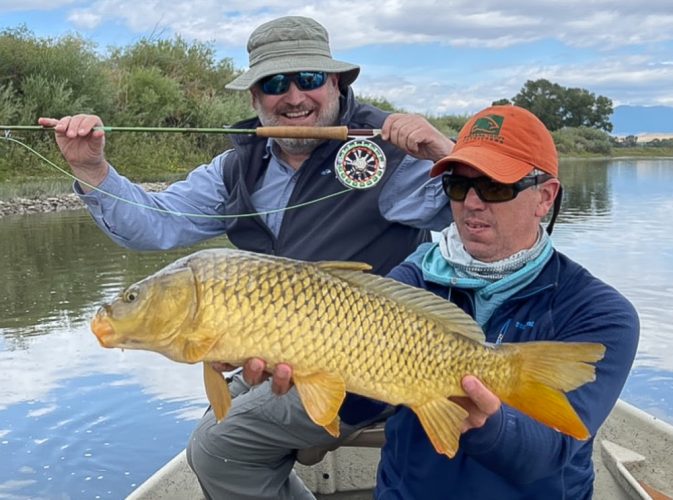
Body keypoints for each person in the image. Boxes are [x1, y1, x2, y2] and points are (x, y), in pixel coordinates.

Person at [38, 16, 455, 500]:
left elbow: (499, 219)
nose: (294, 96)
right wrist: (91, 168)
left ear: (337, 83)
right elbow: (154, 222)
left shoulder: (391, 153)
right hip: (282, 362)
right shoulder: (236, 168)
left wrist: (447, 153)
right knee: (210, 439)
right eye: (275, 83)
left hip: (377, 363)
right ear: (255, 98)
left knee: (220, 449)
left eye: (310, 79)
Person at [270, 104, 640, 498]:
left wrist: (485, 421)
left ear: (544, 198)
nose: (472, 203)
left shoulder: (602, 314)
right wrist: (308, 365)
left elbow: (550, 456)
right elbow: (359, 409)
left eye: (495, 186)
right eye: (458, 185)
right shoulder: (412, 280)